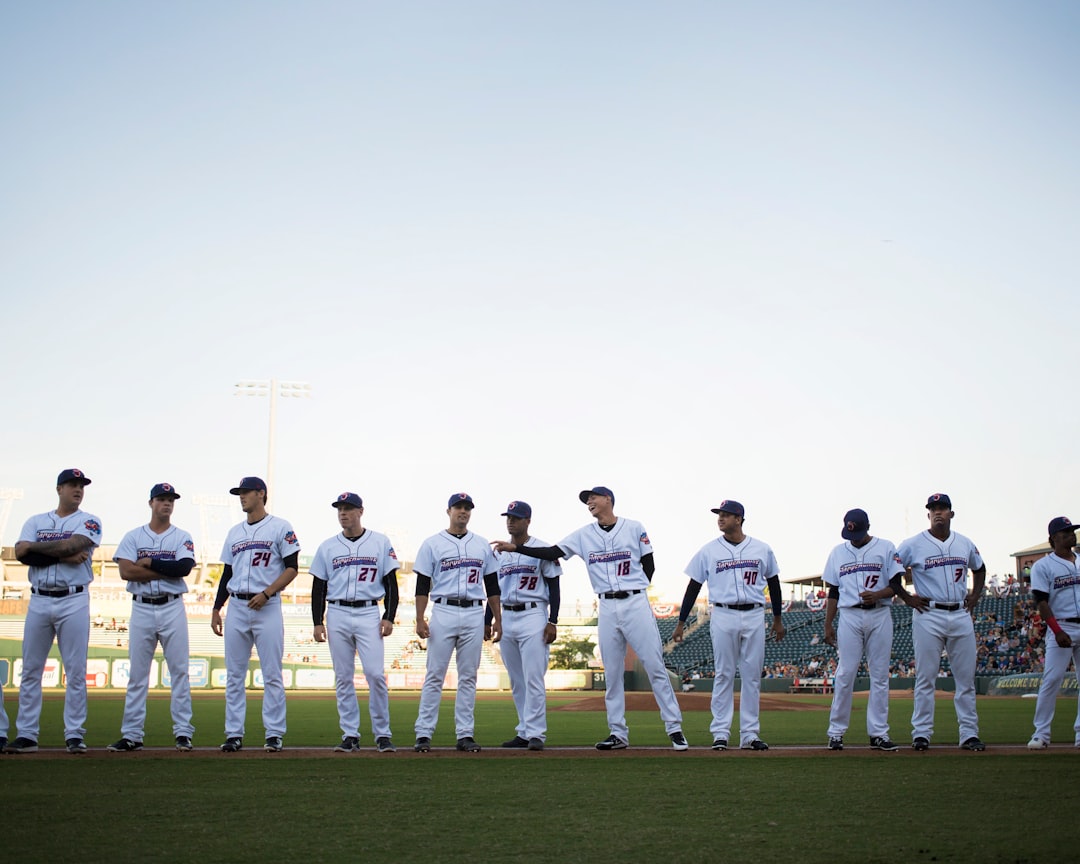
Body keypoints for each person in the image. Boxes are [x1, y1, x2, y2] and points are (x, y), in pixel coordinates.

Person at [495, 486, 687, 751]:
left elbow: (649, 562)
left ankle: (674, 728)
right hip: (606, 605)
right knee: (612, 671)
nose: (589, 503)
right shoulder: (584, 534)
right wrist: (517, 548)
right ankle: (617, 732)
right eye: (587, 501)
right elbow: (552, 552)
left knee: (654, 665)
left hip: (635, 601)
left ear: (608, 499)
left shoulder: (633, 527)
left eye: (593, 498)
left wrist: (639, 589)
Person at [673, 500, 784, 751]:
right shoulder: (709, 550)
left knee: (752, 676)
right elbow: (693, 587)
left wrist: (777, 619)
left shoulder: (761, 548)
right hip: (723, 613)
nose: (720, 518)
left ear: (739, 518)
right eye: (719, 515)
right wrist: (681, 622)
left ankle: (749, 734)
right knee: (723, 673)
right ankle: (720, 732)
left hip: (755, 613)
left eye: (726, 515)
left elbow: (774, 584)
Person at [8, 469, 102, 754]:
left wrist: (39, 549)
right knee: (31, 669)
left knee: (75, 670)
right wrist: (62, 553)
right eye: (72, 485)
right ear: (59, 488)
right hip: (38, 599)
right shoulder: (35, 520)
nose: (78, 489)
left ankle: (74, 733)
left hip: (73, 599)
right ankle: (27, 734)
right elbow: (20, 553)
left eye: (81, 485)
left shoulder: (89, 520)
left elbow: (72, 545)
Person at [211, 476, 300, 752]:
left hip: (267, 606)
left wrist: (269, 592)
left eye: (247, 492)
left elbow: (292, 567)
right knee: (234, 675)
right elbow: (228, 572)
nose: (242, 497)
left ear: (261, 494)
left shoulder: (280, 527)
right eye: (240, 493)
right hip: (237, 605)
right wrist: (216, 607)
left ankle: (274, 733)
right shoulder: (234, 533)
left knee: (272, 673)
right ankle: (233, 733)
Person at [108, 483, 197, 752]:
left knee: (179, 671)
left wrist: (150, 563)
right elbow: (127, 572)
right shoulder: (133, 536)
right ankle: (132, 734)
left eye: (171, 500)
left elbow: (184, 568)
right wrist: (165, 571)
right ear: (151, 503)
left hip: (172, 607)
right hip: (142, 607)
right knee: (137, 674)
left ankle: (183, 732)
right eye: (161, 499)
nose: (167, 504)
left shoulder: (182, 536)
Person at [896, 493, 987, 751]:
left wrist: (976, 595)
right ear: (928, 515)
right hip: (929, 613)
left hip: (960, 613)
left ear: (951, 514)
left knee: (966, 679)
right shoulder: (913, 543)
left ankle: (969, 734)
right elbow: (892, 570)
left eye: (943, 508)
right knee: (925, 677)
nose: (938, 512)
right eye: (933, 509)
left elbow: (979, 568)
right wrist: (906, 597)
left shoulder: (964, 543)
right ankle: (921, 734)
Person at [310, 492, 399, 753]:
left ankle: (382, 733)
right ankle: (350, 734)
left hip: (368, 612)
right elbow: (319, 587)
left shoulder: (380, 542)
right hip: (337, 611)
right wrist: (317, 621)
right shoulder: (328, 546)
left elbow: (390, 582)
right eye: (339, 509)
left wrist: (389, 616)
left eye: (348, 508)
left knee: (374, 674)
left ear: (361, 511)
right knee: (343, 677)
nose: (343, 513)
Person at [413, 493, 501, 752]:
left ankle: (465, 734)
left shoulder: (481, 544)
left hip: (474, 611)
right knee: (434, 675)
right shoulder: (432, 543)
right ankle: (423, 734)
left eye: (467, 508)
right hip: (444, 609)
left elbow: (492, 585)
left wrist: (497, 618)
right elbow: (422, 585)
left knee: (468, 676)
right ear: (448, 510)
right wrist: (419, 617)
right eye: (458, 507)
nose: (463, 512)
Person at [822, 508, 904, 751]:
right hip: (849, 615)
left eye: (857, 532)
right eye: (850, 533)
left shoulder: (886, 547)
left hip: (879, 613)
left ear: (867, 527)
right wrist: (828, 624)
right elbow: (834, 591)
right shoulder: (838, 552)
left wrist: (878, 594)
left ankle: (878, 733)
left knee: (879, 675)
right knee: (845, 674)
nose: (854, 537)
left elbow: (896, 585)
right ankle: (836, 733)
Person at [491, 500, 561, 751]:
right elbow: (492, 589)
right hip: (507, 616)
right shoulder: (498, 552)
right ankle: (524, 730)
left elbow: (554, 585)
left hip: (533, 614)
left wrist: (553, 620)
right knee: (517, 679)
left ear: (528, 521)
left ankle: (536, 733)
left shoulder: (541, 548)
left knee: (533, 677)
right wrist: (491, 620)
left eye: (517, 517)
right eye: (509, 517)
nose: (511, 521)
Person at [1026, 516, 1080, 749]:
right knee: (1052, 679)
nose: (1072, 534)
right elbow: (1041, 601)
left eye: (1072, 531)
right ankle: (1041, 733)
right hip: (1062, 625)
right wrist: (1057, 630)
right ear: (1054, 538)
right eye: (1066, 532)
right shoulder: (1043, 566)